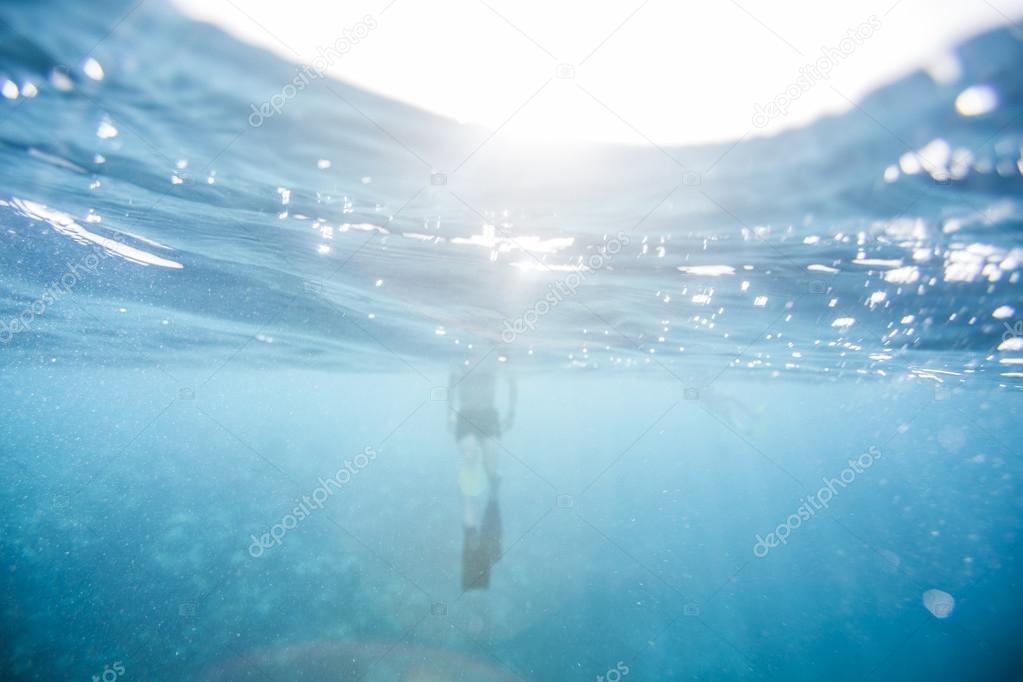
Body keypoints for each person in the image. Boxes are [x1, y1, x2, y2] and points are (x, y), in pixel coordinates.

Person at [448, 343, 516, 590]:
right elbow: (450, 386)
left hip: (489, 417)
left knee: (491, 471)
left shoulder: (494, 361)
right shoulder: (459, 362)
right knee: (469, 453)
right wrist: (449, 413)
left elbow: (511, 382)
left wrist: (511, 413)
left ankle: (493, 493)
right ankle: (469, 513)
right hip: (466, 417)